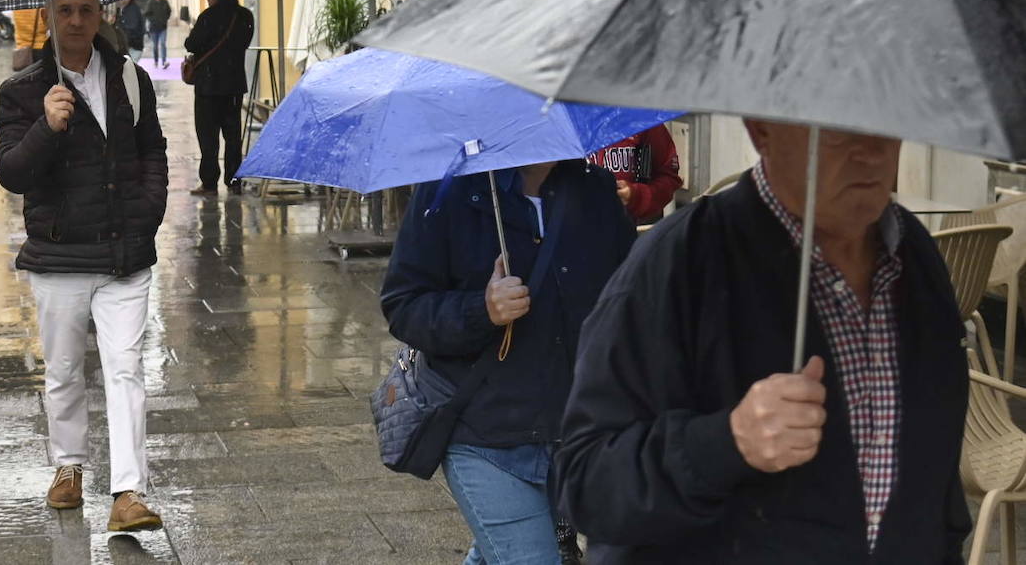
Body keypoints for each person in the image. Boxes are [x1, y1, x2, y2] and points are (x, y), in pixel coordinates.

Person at [555, 122, 970, 564]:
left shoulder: (915, 258)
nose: (870, 152)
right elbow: (586, 483)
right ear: (763, 130)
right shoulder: (682, 264)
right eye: (835, 130)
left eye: (882, 123)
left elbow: (933, 480)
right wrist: (728, 442)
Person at [382, 160, 637, 565]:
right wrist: (482, 310)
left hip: (575, 432)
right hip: (484, 433)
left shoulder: (593, 189)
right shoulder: (447, 193)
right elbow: (403, 305)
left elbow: (633, 290)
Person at [0, 0, 168, 534]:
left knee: (125, 370)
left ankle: (127, 492)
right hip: (59, 256)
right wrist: (46, 126)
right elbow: (11, 174)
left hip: (124, 255)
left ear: (100, 16)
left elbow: (153, 152)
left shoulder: (130, 78)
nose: (75, 21)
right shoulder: (21, 91)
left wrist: (148, 212)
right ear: (50, 16)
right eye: (65, 11)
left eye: (85, 11)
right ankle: (68, 467)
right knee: (65, 371)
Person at [184, 0, 254, 196]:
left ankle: (209, 183)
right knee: (233, 136)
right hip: (234, 85)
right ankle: (234, 181)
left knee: (208, 137)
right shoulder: (244, 15)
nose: (207, 0)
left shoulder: (208, 16)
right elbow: (245, 42)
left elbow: (191, 44)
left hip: (208, 86)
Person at [587, 124, 683, 224]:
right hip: (577, 227)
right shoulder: (572, 120)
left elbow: (668, 177)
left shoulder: (643, 119)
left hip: (625, 227)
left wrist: (637, 196)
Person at [145, 0, 173, 69]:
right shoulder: (150, 2)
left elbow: (169, 11)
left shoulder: (164, 1)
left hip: (163, 27)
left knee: (163, 44)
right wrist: (153, 20)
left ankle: (164, 62)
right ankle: (156, 61)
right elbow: (146, 14)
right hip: (153, 28)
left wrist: (165, 19)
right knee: (155, 46)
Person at [117, 0, 146, 64]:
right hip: (132, 46)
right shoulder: (126, 8)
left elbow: (132, 28)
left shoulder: (132, 10)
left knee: (130, 69)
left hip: (133, 46)